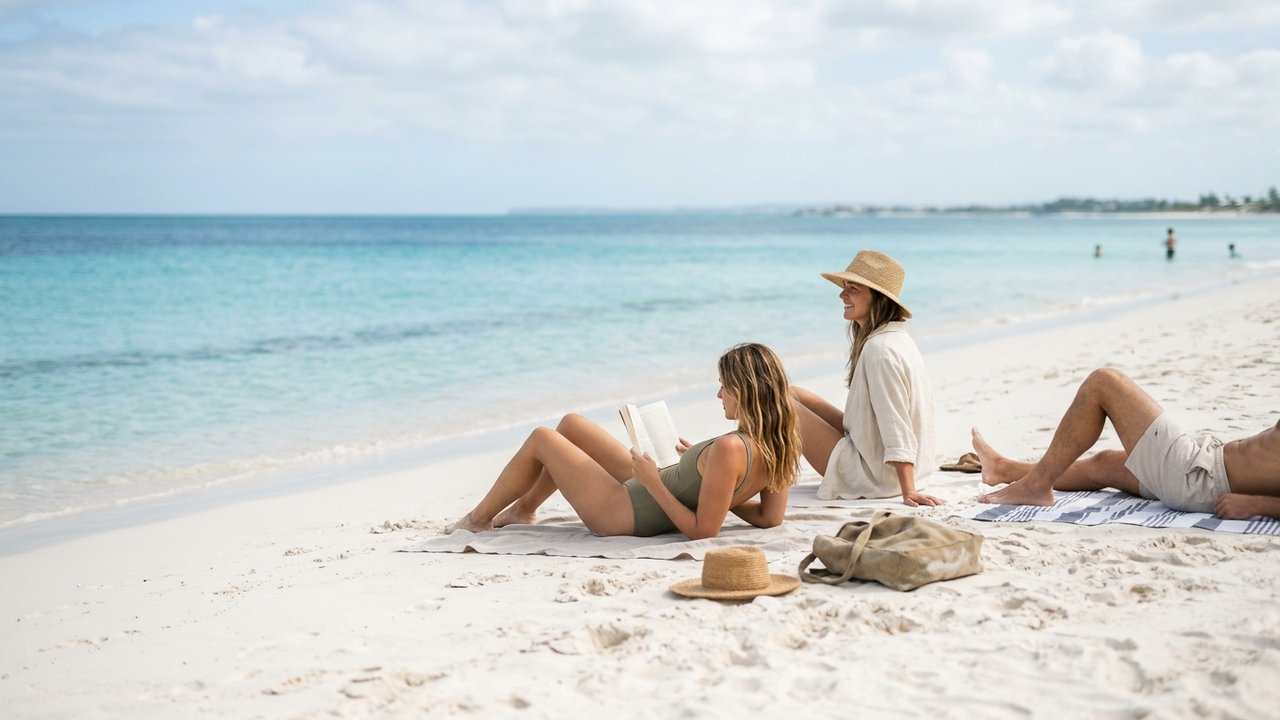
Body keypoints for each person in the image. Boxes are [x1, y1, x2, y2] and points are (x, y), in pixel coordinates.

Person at [445, 343, 803, 539]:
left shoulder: (730, 449)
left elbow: (702, 531)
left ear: (744, 390)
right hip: (655, 487)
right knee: (571, 425)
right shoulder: (780, 442)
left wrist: (651, 481)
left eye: (724, 386)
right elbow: (770, 519)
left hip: (625, 512)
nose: (718, 394)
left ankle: (478, 519)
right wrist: (715, 485)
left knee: (542, 438)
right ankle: (524, 510)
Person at [974, 368, 1280, 519]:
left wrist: (1256, 505)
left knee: (1104, 382)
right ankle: (1003, 469)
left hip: (1199, 479)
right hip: (1207, 467)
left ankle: (1036, 487)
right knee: (1105, 464)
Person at [790, 250, 941, 507]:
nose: (842, 294)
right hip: (892, 466)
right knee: (790, 393)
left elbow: (896, 423)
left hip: (878, 477)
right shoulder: (896, 338)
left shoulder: (879, 350)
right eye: (845, 287)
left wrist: (908, 491)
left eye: (854, 289)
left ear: (878, 299)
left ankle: (740, 470)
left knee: (774, 403)